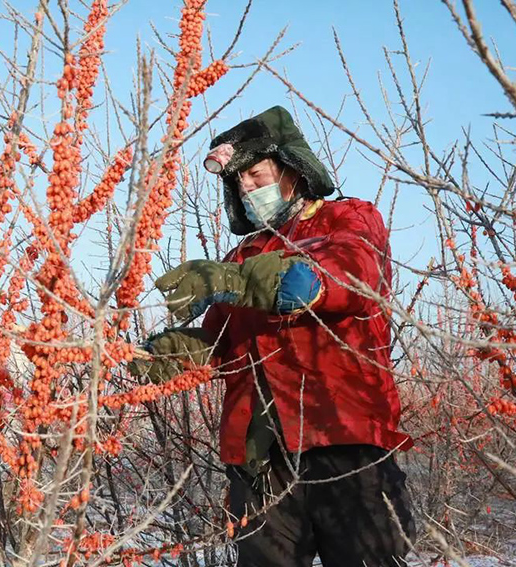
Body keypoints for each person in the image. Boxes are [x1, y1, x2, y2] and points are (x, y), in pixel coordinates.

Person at [132, 106, 415, 566]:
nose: (247, 189)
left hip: (343, 442)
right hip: (262, 458)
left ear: (292, 170)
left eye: (257, 175)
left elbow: (345, 277)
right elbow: (226, 347)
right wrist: (173, 353)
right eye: (238, 182)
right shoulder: (245, 252)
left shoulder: (348, 220)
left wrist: (238, 281)